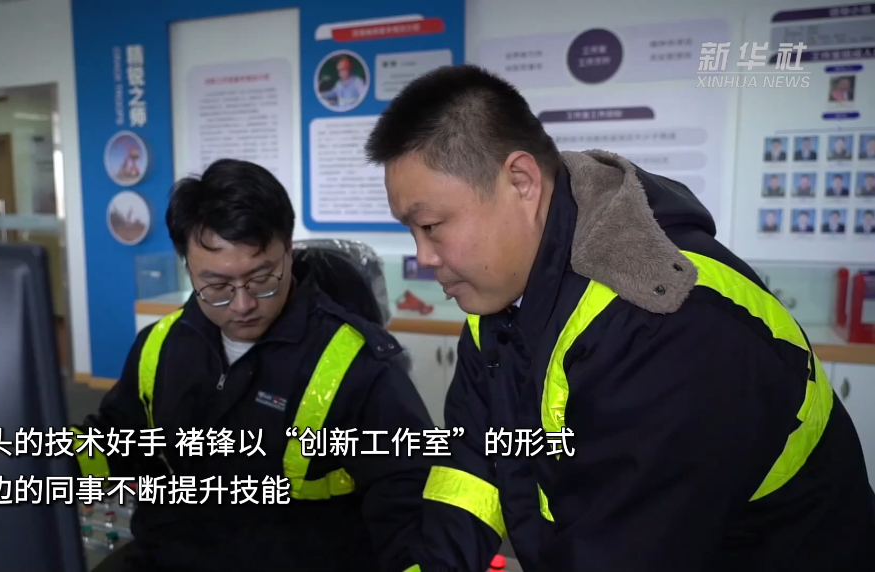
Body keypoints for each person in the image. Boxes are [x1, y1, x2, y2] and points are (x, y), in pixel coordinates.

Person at [364, 64, 875, 571]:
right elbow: (476, 461)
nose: (423, 256)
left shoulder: (671, 327)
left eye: (431, 225)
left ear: (521, 182)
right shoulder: (500, 302)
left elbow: (627, 548)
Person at [72, 158, 434, 572]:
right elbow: (118, 440)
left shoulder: (360, 366)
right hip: (170, 554)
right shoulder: (160, 345)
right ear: (188, 268)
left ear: (288, 252)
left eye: (262, 279)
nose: (243, 305)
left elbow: (410, 505)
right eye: (217, 285)